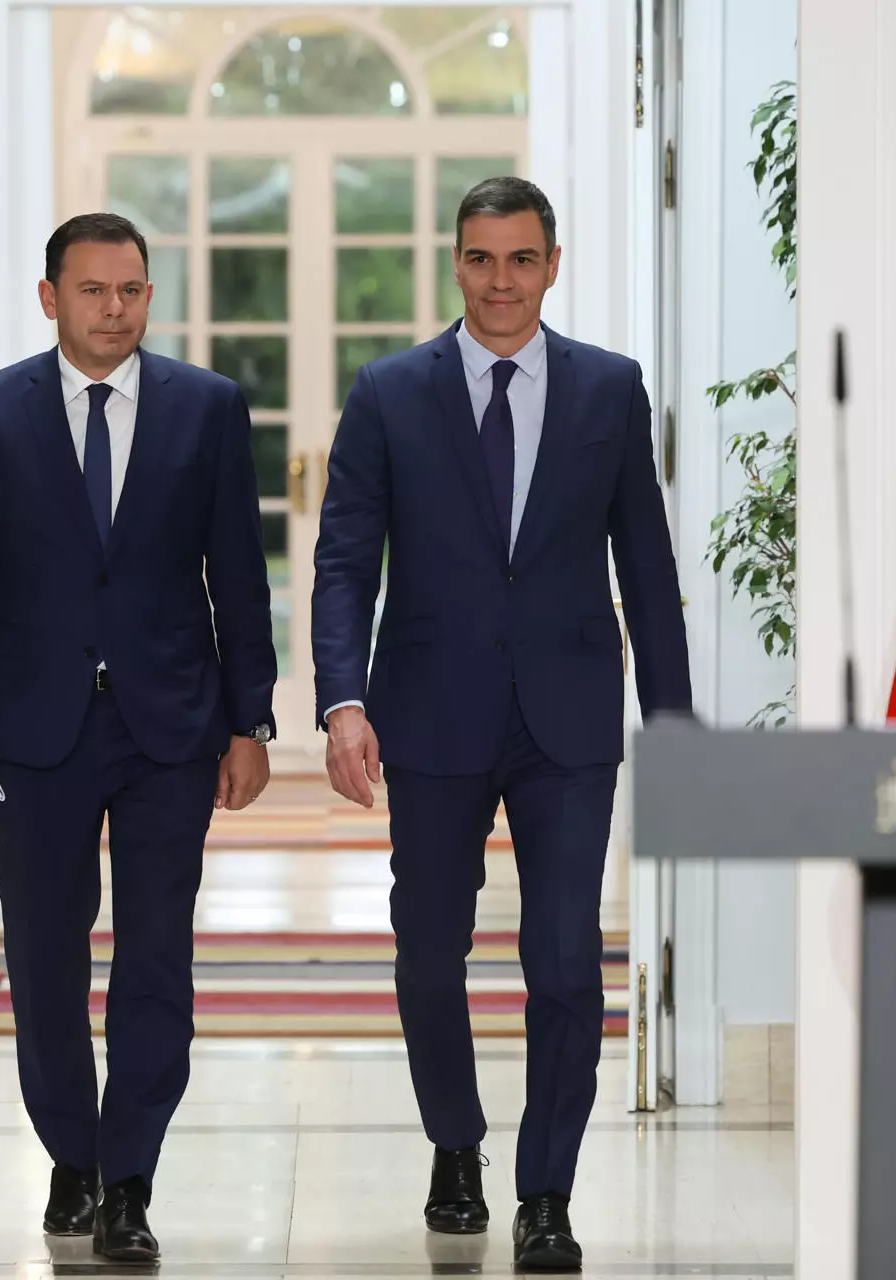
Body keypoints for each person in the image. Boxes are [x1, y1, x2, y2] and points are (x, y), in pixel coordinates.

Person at [310, 176, 692, 1272]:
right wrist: (343, 700)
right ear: (456, 264)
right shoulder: (388, 392)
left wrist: (669, 715)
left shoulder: (610, 389)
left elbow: (647, 562)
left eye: (521, 259)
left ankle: (548, 1188)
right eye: (481, 259)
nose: (501, 282)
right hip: (428, 713)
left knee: (565, 955)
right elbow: (343, 561)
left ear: (551, 265)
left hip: (568, 716)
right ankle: (454, 1142)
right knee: (431, 949)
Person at [0, 212, 278, 1263]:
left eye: (132, 291)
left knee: (158, 954)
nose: (114, 310)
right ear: (49, 297)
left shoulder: (208, 409)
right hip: (33, 724)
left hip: (171, 722)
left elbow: (238, 579)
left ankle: (129, 1175)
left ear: (149, 297)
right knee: (43, 951)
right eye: (92, 291)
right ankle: (69, 1152)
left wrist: (249, 718)